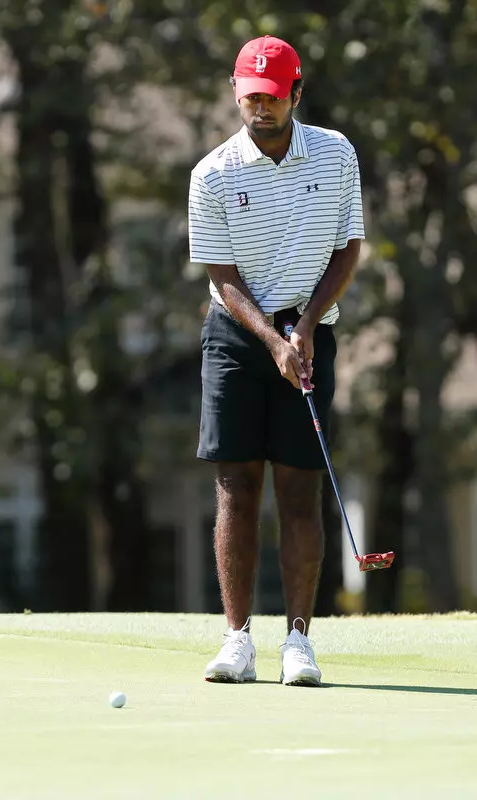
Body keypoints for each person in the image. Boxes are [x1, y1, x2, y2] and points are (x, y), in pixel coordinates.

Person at [187, 35, 365, 686]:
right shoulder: (212, 173)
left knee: (299, 487)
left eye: (273, 95)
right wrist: (272, 340)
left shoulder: (336, 154)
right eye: (250, 95)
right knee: (237, 488)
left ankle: (298, 642)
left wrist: (308, 328)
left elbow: (349, 249)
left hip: (310, 328)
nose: (260, 107)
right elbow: (222, 273)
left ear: (296, 92)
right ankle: (237, 640)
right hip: (237, 334)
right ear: (237, 92)